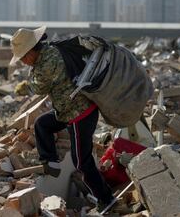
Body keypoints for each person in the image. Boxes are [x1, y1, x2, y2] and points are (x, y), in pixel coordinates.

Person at [10, 26, 114, 207]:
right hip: (68, 110)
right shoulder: (49, 50)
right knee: (43, 124)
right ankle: (51, 163)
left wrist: (28, 82)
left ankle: (106, 199)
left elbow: (39, 88)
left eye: (23, 58)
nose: (24, 62)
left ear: (30, 52)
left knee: (81, 161)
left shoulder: (47, 62)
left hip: (79, 114)